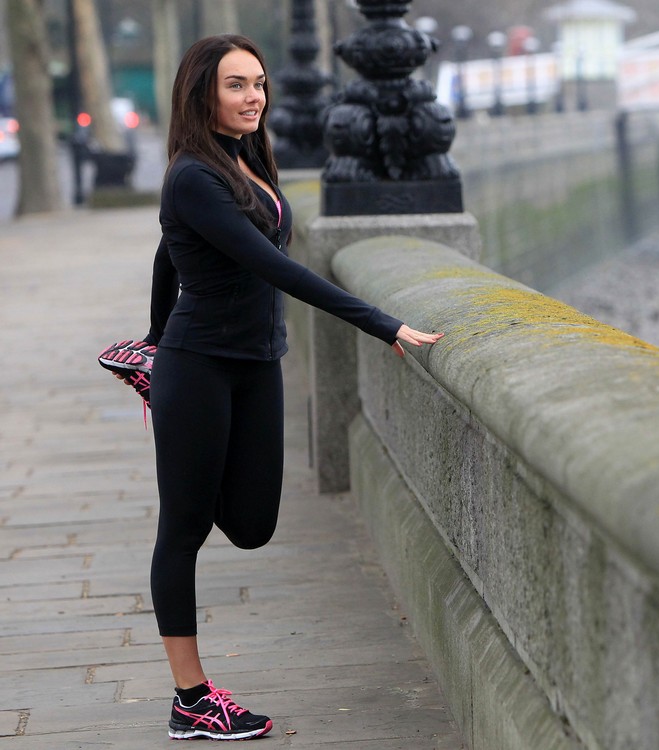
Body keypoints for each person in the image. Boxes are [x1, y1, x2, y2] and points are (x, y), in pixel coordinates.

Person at [98, 34, 443, 742]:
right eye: (236, 84)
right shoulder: (193, 176)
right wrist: (381, 323)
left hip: (256, 364)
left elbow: (168, 257)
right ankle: (191, 699)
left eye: (258, 82)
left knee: (254, 526)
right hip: (200, 366)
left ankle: (164, 396)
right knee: (183, 529)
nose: (254, 95)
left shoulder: (241, 160)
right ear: (202, 93)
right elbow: (274, 266)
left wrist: (150, 336)